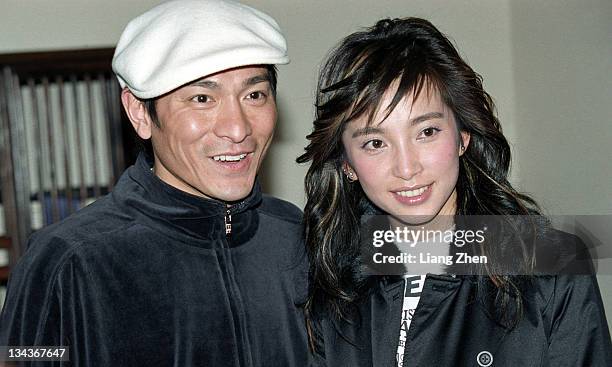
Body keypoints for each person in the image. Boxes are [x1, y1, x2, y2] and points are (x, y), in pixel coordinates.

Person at [0, 1, 309, 365]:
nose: (237, 128)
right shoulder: (69, 258)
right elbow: (20, 356)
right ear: (139, 114)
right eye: (202, 98)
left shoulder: (293, 234)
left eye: (254, 95)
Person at [297, 17, 611, 366]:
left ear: (463, 135)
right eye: (375, 142)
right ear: (347, 164)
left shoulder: (552, 267)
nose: (407, 167)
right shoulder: (333, 282)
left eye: (427, 132)